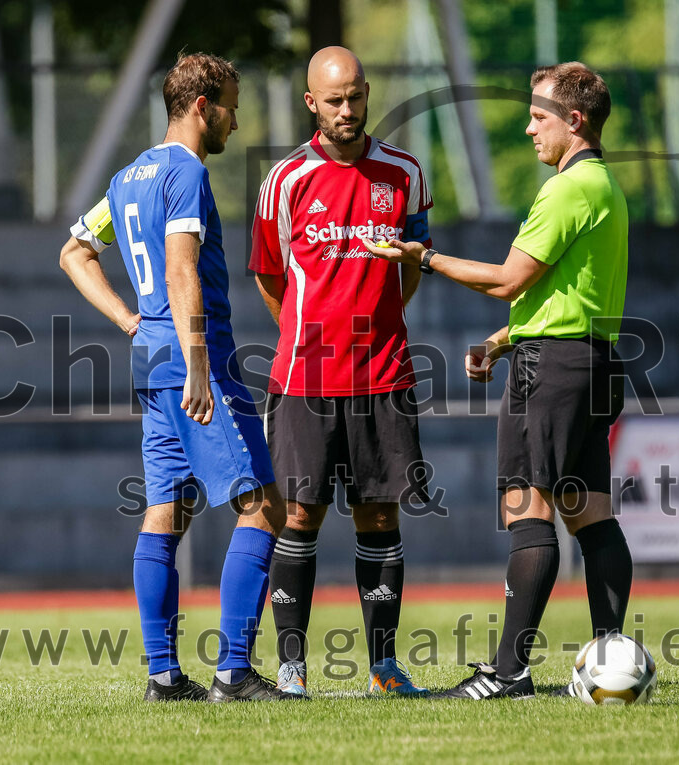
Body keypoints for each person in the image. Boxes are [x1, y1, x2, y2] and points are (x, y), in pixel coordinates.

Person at [364, 61, 632, 699]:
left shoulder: (567, 189)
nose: (528, 128)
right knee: (590, 515)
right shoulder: (606, 187)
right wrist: (505, 337)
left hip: (553, 372)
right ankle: (612, 660)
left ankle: (508, 672)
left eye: (539, 117)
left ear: (575, 120)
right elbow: (575, 294)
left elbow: (511, 278)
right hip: (591, 363)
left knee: (526, 509)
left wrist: (422, 256)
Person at [59, 53, 295, 703]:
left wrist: (130, 321)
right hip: (197, 357)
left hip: (152, 356)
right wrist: (196, 362)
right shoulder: (186, 172)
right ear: (202, 107)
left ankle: (164, 676)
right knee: (263, 505)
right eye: (231, 106)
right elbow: (182, 271)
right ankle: (234, 674)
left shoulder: (129, 176)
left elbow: (73, 251)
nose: (236, 120)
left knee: (167, 511)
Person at [249, 46, 432, 697]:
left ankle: (383, 667)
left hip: (384, 375)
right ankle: (292, 668)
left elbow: (413, 263)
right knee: (299, 516)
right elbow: (271, 276)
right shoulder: (285, 179)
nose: (348, 109)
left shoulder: (405, 172)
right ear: (311, 104)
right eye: (334, 100)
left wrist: (376, 320)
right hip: (304, 379)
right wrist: (309, 331)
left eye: (356, 95)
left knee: (380, 517)